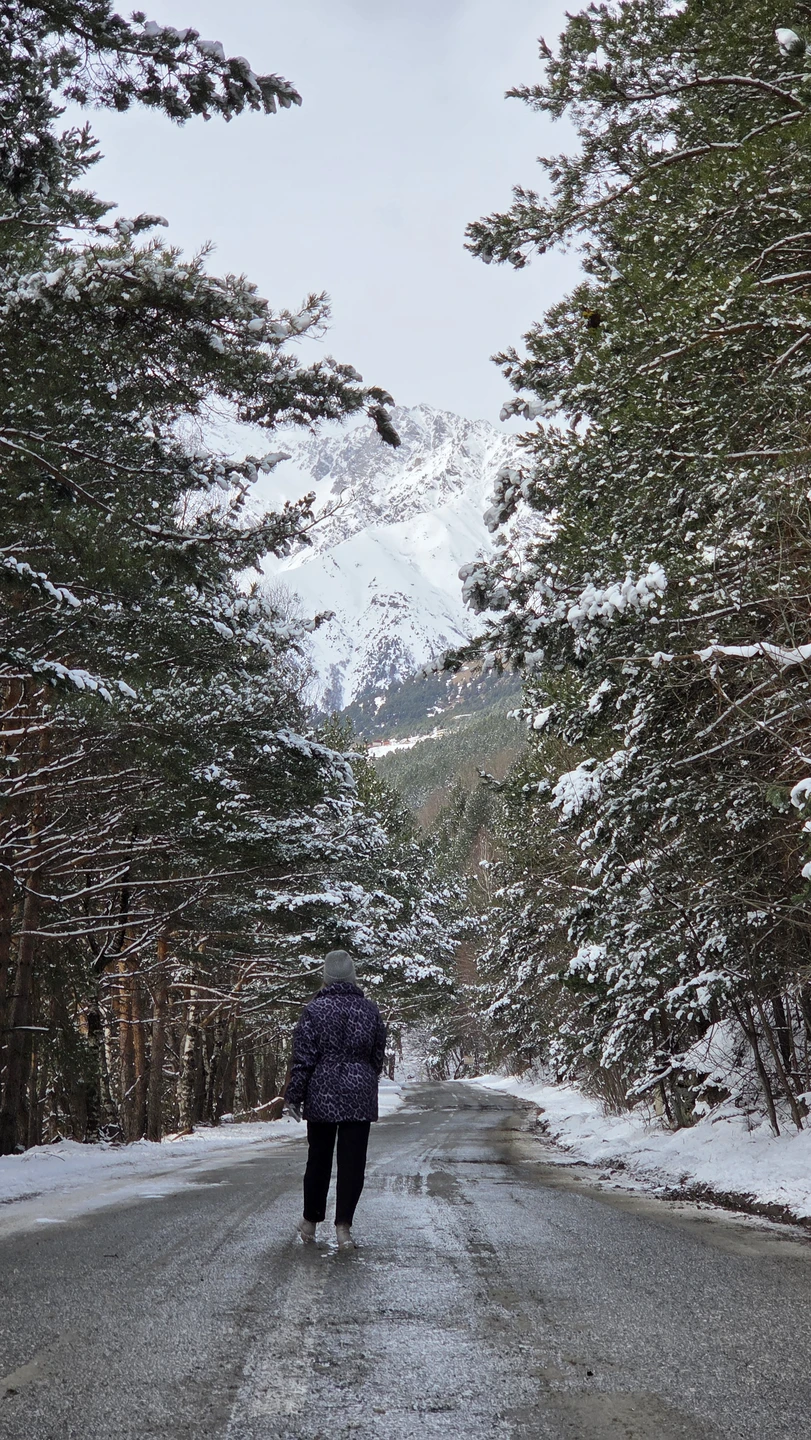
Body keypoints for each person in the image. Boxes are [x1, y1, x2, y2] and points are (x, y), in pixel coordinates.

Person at [285, 949, 387, 1250]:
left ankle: (310, 1222)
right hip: (359, 1092)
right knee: (352, 1163)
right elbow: (377, 1055)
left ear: (326, 978)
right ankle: (344, 1228)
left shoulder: (314, 1011)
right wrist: (364, 1077)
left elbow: (302, 1059)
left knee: (318, 1158)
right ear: (353, 976)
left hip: (322, 1092)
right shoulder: (370, 1010)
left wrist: (294, 1096)